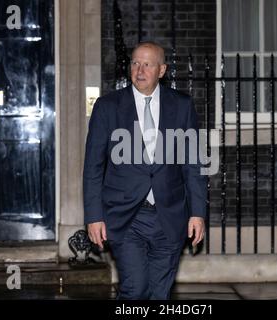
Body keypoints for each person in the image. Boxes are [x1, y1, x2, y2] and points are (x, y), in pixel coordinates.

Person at [83, 41, 207, 300]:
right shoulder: (108, 107)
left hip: (169, 216)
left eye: (147, 64)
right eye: (135, 63)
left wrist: (197, 213)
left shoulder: (182, 106)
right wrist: (94, 216)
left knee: (159, 293)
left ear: (161, 70)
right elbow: (93, 166)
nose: (139, 70)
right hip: (127, 215)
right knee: (135, 288)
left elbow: (193, 164)